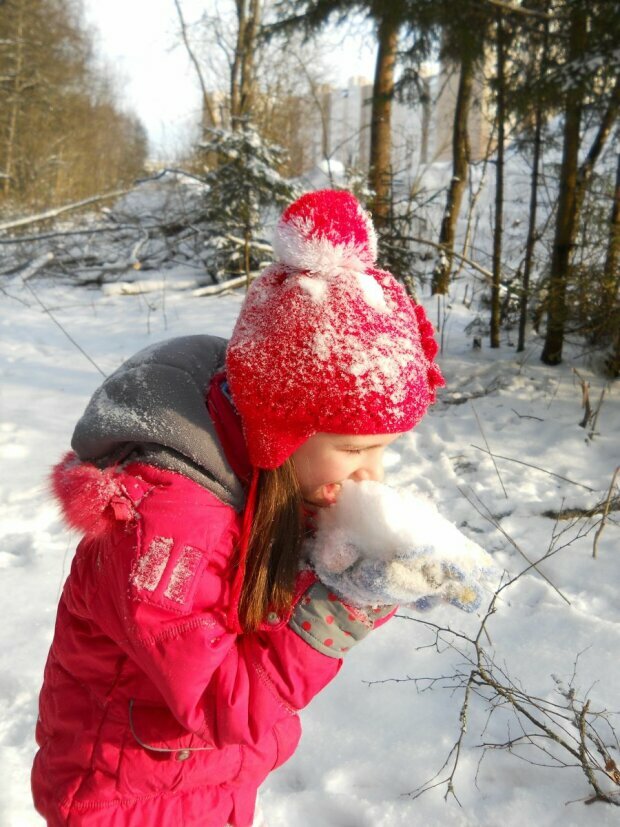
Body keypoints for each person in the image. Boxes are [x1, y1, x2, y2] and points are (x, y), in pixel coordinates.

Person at [31, 189, 445, 827]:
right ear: (284, 428)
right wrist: (334, 614)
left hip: (202, 782)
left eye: (384, 449)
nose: (373, 471)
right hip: (126, 798)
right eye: (356, 448)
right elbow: (224, 699)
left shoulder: (259, 471)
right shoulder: (167, 528)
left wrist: (340, 558)